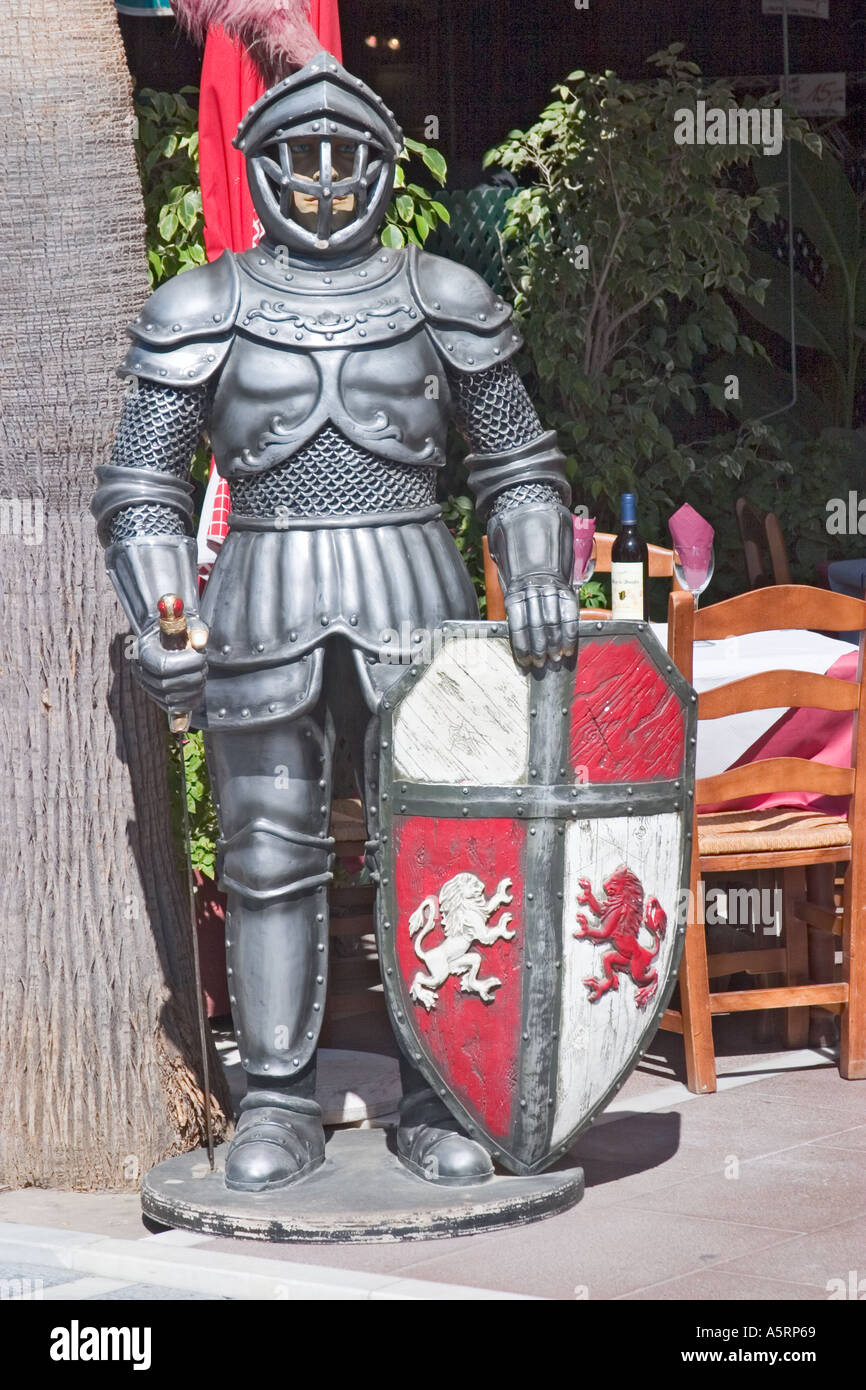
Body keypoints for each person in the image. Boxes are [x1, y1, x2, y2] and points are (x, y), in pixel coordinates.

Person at [92, 52, 577, 1192]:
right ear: (258, 170)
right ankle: (274, 1098)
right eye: (296, 163)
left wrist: (539, 570)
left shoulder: (441, 295)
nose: (318, 184)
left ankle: (437, 1092)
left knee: (436, 858)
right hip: (259, 600)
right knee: (265, 861)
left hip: (420, 602)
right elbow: (143, 489)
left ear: (379, 168)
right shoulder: (201, 304)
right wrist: (167, 613)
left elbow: (518, 463)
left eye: (340, 161)